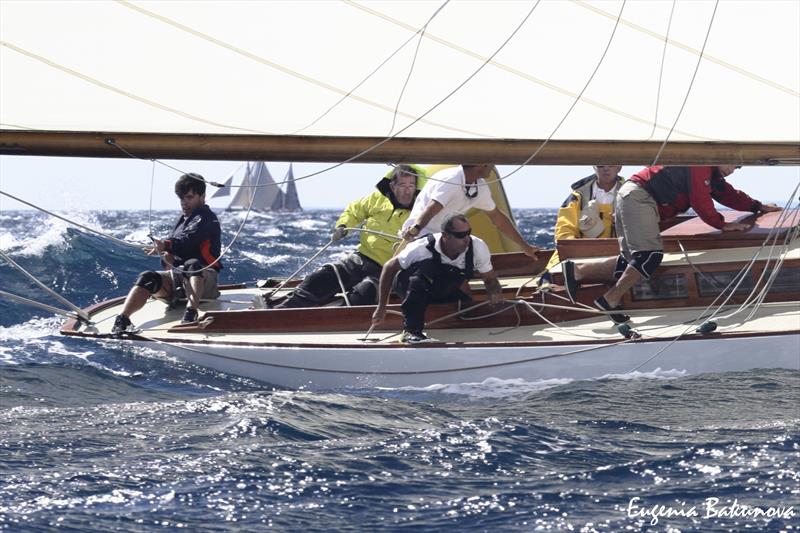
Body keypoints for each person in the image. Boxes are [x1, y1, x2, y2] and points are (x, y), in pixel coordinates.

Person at [562, 165, 781, 323]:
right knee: (649, 256)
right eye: (734, 164)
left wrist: (757, 206)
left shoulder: (711, 175)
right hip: (639, 197)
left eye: (739, 167)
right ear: (721, 156)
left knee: (633, 259)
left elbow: (727, 194)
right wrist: (721, 224)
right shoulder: (700, 165)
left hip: (632, 196)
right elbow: (699, 200)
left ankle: (577, 271)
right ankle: (610, 300)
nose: (734, 169)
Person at [275, 164, 425, 308]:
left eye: (411, 186)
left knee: (364, 292)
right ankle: (282, 309)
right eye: (402, 185)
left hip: (392, 268)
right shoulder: (377, 198)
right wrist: (343, 226)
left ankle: (328, 316)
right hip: (364, 257)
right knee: (322, 277)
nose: (407, 191)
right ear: (392, 186)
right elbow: (354, 211)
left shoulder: (421, 210)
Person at [112, 173, 223, 334]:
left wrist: (166, 244)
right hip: (179, 281)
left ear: (202, 196)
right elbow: (173, 254)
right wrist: (166, 256)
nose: (184, 203)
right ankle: (122, 320)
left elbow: (188, 240)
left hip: (205, 280)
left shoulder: (207, 218)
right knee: (148, 277)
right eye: (182, 198)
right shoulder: (183, 220)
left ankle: (191, 313)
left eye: (189, 197)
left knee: (192, 264)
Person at [372, 214, 503, 344]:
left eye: (468, 233)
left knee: (465, 302)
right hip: (412, 287)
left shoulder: (477, 247)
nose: (466, 239)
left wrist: (494, 292)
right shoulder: (421, 247)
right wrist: (382, 307)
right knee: (420, 280)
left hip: (442, 288)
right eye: (460, 235)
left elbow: (490, 279)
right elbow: (389, 267)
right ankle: (411, 332)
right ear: (445, 235)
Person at [399, 164, 539, 259]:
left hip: (445, 239)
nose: (493, 166)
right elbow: (432, 208)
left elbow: (498, 219)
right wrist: (415, 229)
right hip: (421, 236)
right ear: (480, 164)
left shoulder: (480, 186)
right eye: (490, 162)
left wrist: (524, 246)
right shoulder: (451, 179)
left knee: (474, 251)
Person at [540, 165, 625, 286]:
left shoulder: (630, 193)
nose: (606, 169)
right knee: (550, 280)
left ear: (619, 167)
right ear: (594, 167)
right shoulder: (577, 196)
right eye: (600, 165)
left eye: (611, 164)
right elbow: (564, 230)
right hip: (580, 255)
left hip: (618, 254)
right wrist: (577, 252)